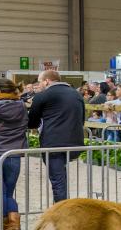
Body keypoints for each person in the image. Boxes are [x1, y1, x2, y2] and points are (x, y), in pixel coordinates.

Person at [27, 70, 84, 203]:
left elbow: (32, 122)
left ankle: (61, 211)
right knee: (61, 178)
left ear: (47, 81)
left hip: (53, 144)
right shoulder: (76, 94)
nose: (39, 85)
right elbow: (82, 119)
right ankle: (63, 206)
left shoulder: (43, 96)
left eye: (40, 81)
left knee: (58, 181)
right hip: (75, 142)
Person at [0, 78, 28, 230]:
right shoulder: (21, 106)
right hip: (14, 153)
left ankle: (7, 226)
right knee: (8, 191)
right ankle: (13, 225)